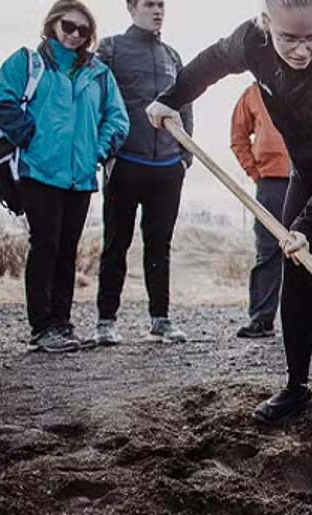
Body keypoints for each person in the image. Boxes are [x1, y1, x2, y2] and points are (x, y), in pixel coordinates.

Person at [147, 0, 312, 435]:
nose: (301, 50)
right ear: (267, 26)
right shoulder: (251, 40)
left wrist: (303, 228)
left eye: (311, 38)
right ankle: (296, 387)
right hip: (308, 169)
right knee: (296, 268)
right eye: (289, 39)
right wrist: (169, 100)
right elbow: (210, 63)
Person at [0, 0, 129, 354]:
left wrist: (98, 149)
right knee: (45, 244)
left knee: (67, 250)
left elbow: (118, 118)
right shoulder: (27, 62)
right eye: (69, 26)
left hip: (80, 175)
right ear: (52, 25)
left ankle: (62, 325)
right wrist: (29, 137)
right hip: (39, 171)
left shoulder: (99, 73)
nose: (76, 35)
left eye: (83, 30)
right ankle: (42, 327)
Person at [94, 0, 192, 347]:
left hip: (166, 167)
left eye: (161, 5)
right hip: (126, 162)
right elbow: (97, 99)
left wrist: (184, 157)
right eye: (150, 4)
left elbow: (184, 104)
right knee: (116, 243)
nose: (158, 10)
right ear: (132, 8)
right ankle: (105, 322)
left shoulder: (172, 56)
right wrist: (105, 153)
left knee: (159, 245)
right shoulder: (111, 48)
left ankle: (160, 320)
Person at [230, 82, 312, 340]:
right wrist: (256, 173)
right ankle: (262, 319)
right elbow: (238, 136)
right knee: (268, 250)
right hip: (272, 182)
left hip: (311, 180)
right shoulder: (254, 92)